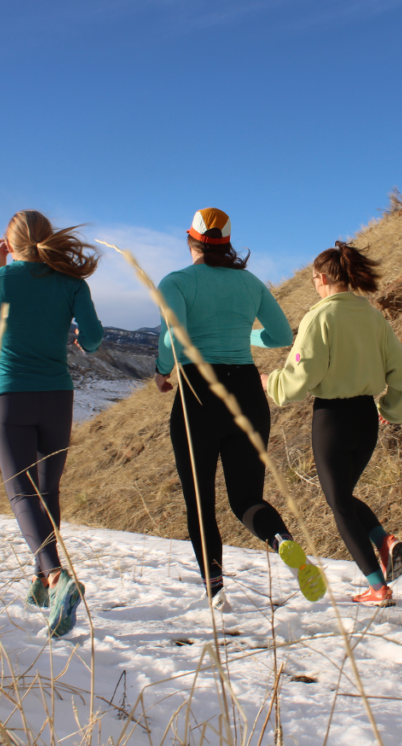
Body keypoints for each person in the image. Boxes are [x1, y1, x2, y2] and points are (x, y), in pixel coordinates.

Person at [154, 207, 325, 611]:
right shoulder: (249, 283)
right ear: (228, 242)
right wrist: (241, 335)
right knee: (246, 498)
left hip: (199, 391)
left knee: (200, 500)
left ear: (190, 239)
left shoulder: (175, 282)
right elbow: (282, 335)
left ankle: (216, 591)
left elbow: (171, 341)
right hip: (246, 390)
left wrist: (162, 374)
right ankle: (281, 540)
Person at [263, 242, 402, 607]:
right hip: (366, 418)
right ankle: (383, 541)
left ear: (320, 278)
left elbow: (301, 376)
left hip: (331, 418)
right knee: (343, 498)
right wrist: (391, 408)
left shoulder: (320, 317)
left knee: (339, 505)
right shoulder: (373, 316)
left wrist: (271, 383)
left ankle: (378, 587)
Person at [0, 210, 102, 637]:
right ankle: (40, 583)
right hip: (57, 396)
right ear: (50, 241)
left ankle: (55, 576)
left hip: (11, 396)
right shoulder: (72, 284)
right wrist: (81, 338)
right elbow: (95, 337)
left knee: (21, 493)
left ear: (9, 245)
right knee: (47, 491)